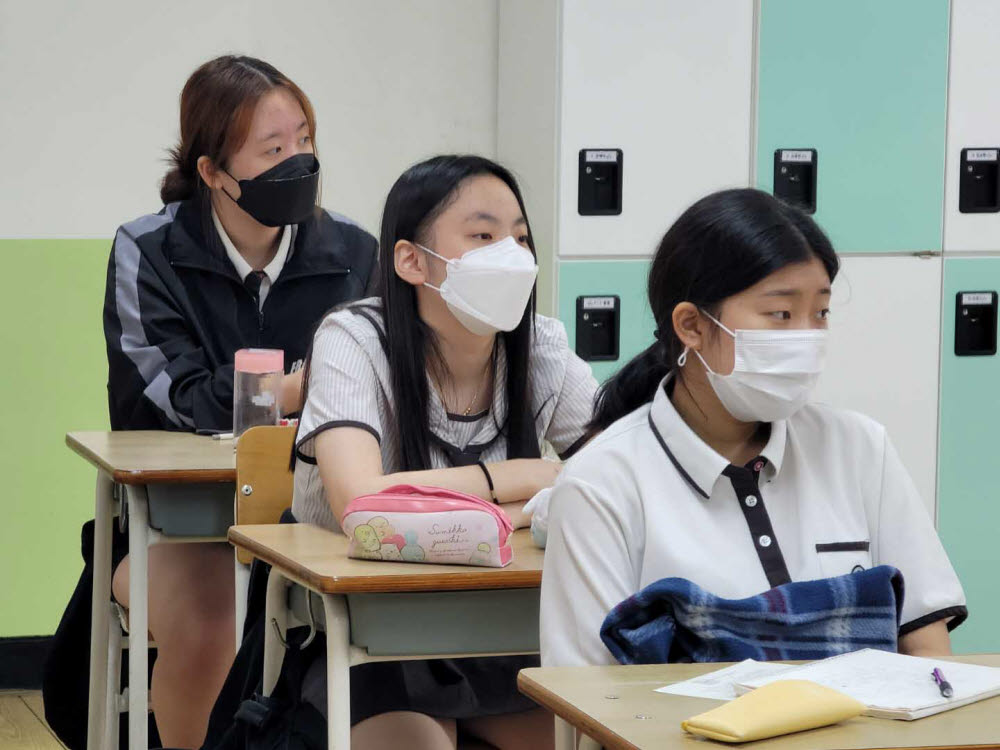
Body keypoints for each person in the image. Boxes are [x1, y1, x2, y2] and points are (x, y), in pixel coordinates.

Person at [539, 188, 966, 668]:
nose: (806, 335)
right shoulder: (602, 482)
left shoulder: (860, 448)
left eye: (820, 312)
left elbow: (927, 648)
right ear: (692, 326)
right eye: (780, 314)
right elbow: (587, 696)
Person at [102, 55, 376, 747]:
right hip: (180, 526)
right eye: (274, 149)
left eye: (305, 140)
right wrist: (291, 388)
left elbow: (377, 388)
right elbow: (179, 394)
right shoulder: (151, 249)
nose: (299, 161)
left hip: (311, 515)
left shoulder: (354, 252)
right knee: (213, 625)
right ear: (214, 172)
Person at [291, 154, 598, 749]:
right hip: (365, 643)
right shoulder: (353, 339)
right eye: (483, 236)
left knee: (601, 735)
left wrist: (509, 512)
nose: (510, 254)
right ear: (410, 260)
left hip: (504, 635)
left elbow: (617, 481)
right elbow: (361, 503)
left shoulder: (543, 348)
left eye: (519, 237)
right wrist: (521, 479)